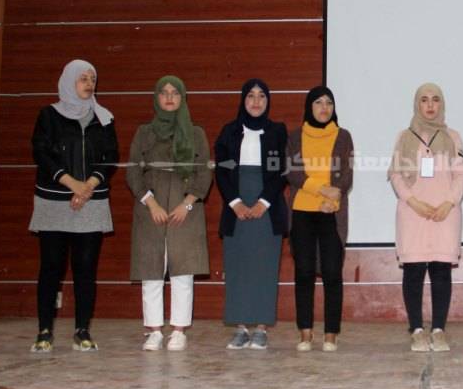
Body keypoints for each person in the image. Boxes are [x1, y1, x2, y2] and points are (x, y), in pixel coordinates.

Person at [29, 59, 119, 352]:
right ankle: (44, 331)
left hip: (91, 200)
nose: (89, 83)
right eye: (83, 78)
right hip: (54, 200)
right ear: (69, 81)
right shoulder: (48, 115)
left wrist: (88, 185)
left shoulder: (103, 118)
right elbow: (41, 153)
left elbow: (110, 157)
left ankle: (82, 330)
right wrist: (71, 183)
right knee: (51, 267)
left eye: (92, 78)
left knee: (85, 269)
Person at [127, 76, 213, 352]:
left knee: (182, 272)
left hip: (184, 209)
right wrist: (150, 203)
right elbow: (133, 171)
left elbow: (204, 172)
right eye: (163, 93)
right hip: (150, 208)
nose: (169, 97)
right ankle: (153, 331)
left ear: (182, 98)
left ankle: (178, 330)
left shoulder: (196, 133)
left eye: (175, 93)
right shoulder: (144, 132)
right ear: (156, 97)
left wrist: (187, 203)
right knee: (151, 271)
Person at [388, 83, 463, 352]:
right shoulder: (404, 137)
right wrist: (413, 202)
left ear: (442, 104)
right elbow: (395, 174)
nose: (430, 105)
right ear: (417, 104)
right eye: (424, 100)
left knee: (441, 271)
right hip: (413, 213)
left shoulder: (453, 137)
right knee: (413, 271)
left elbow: (461, 174)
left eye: (435, 100)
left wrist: (449, 202)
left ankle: (438, 330)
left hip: (445, 214)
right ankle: (417, 330)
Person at [214, 79, 288, 350]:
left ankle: (261, 328)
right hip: (236, 207)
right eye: (251, 96)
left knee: (264, 268)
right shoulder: (229, 132)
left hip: (267, 208)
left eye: (261, 96)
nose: (256, 102)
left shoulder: (277, 131)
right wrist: (235, 203)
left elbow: (281, 170)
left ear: (268, 101)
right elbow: (222, 170)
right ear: (243, 100)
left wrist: (263, 202)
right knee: (238, 267)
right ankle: (241, 328)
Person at [286, 86, 353, 352]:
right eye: (318, 103)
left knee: (332, 272)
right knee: (303, 272)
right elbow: (292, 172)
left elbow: (346, 175)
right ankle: (305, 332)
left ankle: (331, 334)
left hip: (331, 212)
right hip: (301, 211)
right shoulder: (295, 136)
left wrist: (332, 200)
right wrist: (321, 189)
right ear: (309, 107)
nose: (324, 108)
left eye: (329, 103)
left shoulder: (343, 136)